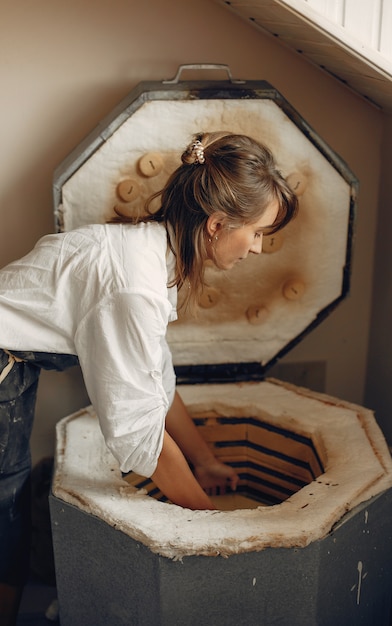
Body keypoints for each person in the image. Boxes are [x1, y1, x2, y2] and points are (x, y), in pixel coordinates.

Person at [0, 130, 298, 622]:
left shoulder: (150, 255)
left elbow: (155, 380)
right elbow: (140, 436)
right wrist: (215, 527)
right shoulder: (133, 285)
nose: (260, 249)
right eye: (259, 233)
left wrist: (203, 461)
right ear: (218, 224)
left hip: (12, 361)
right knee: (3, 503)